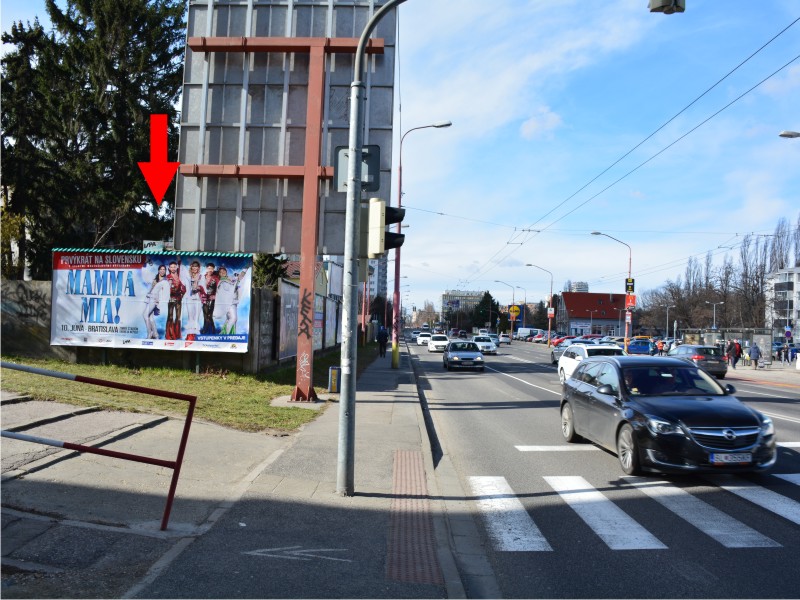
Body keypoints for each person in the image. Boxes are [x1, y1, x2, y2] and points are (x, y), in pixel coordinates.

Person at [142, 265, 169, 339]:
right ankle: (156, 334)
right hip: (149, 298)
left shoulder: (165, 281)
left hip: (154, 300)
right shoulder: (155, 279)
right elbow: (149, 284)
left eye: (164, 269)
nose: (162, 270)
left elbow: (165, 293)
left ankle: (149, 333)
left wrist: (159, 302)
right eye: (161, 269)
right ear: (158, 270)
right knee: (150, 318)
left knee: (145, 315)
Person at [182, 261, 204, 341]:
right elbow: (184, 286)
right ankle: (189, 336)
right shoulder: (187, 276)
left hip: (198, 299)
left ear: (198, 268)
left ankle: (196, 336)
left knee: (196, 318)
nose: (195, 268)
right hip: (189, 299)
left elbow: (203, 287)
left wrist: (198, 287)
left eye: (196, 266)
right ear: (191, 267)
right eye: (193, 266)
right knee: (190, 317)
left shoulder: (201, 276)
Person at [165, 260, 186, 340]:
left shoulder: (180, 276)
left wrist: (182, 294)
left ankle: (177, 334)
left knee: (178, 317)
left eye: (174, 266)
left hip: (179, 299)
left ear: (176, 267)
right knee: (170, 317)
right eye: (171, 267)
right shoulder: (167, 277)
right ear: (169, 268)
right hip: (170, 299)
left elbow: (184, 287)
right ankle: (170, 335)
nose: (173, 268)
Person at [201, 263, 219, 335]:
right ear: (206, 269)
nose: (210, 270)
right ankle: (206, 330)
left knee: (209, 315)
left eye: (212, 268)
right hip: (204, 299)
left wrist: (215, 295)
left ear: (213, 269)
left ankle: (212, 330)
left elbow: (219, 288)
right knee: (205, 315)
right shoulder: (203, 277)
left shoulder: (216, 278)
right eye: (209, 268)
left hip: (212, 299)